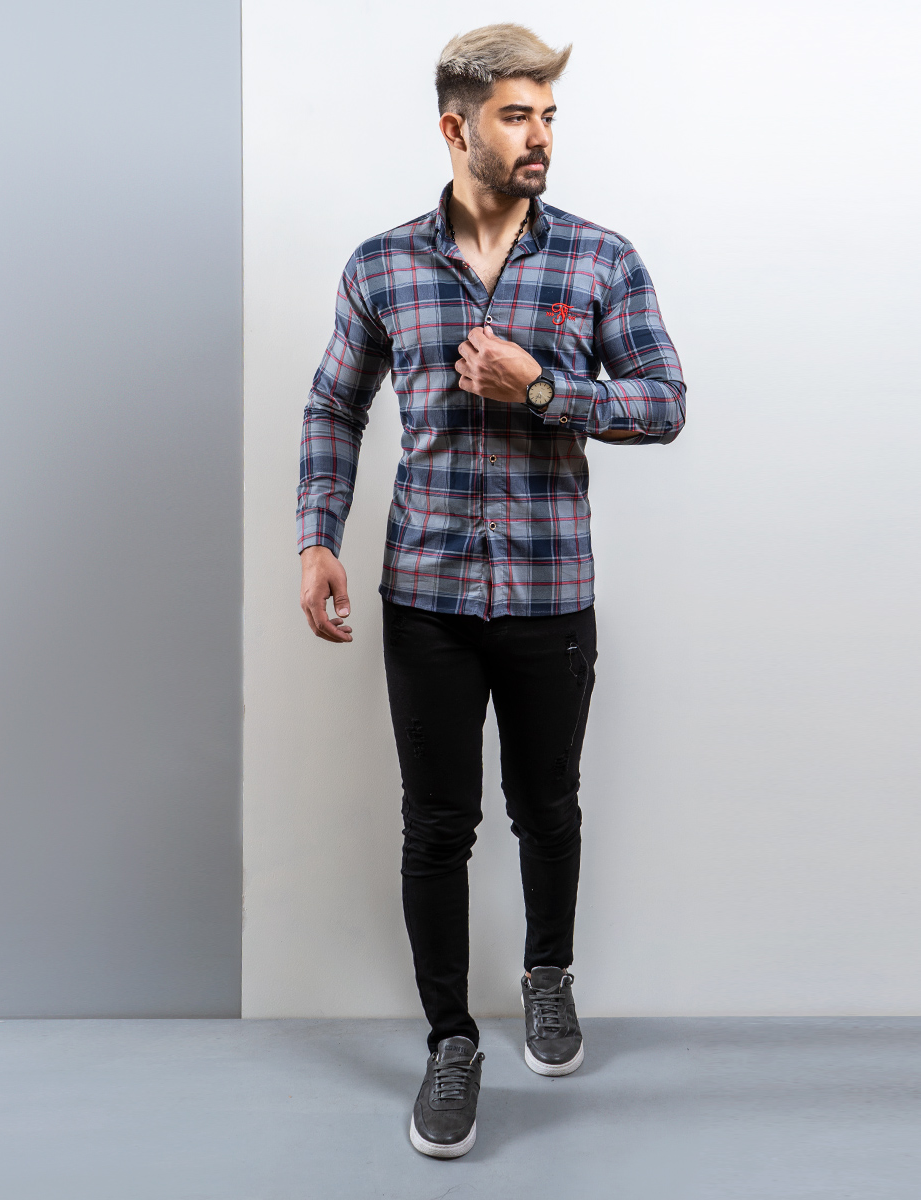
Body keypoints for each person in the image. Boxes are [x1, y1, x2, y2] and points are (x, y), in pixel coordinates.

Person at [297, 23, 686, 1158]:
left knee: (547, 805)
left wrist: (545, 390)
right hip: (424, 593)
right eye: (518, 116)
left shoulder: (601, 259)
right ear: (456, 127)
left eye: (549, 116)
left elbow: (664, 402)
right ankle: (450, 1043)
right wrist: (316, 538)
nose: (540, 137)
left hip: (551, 592)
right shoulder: (382, 266)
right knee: (436, 825)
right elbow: (334, 405)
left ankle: (547, 974)